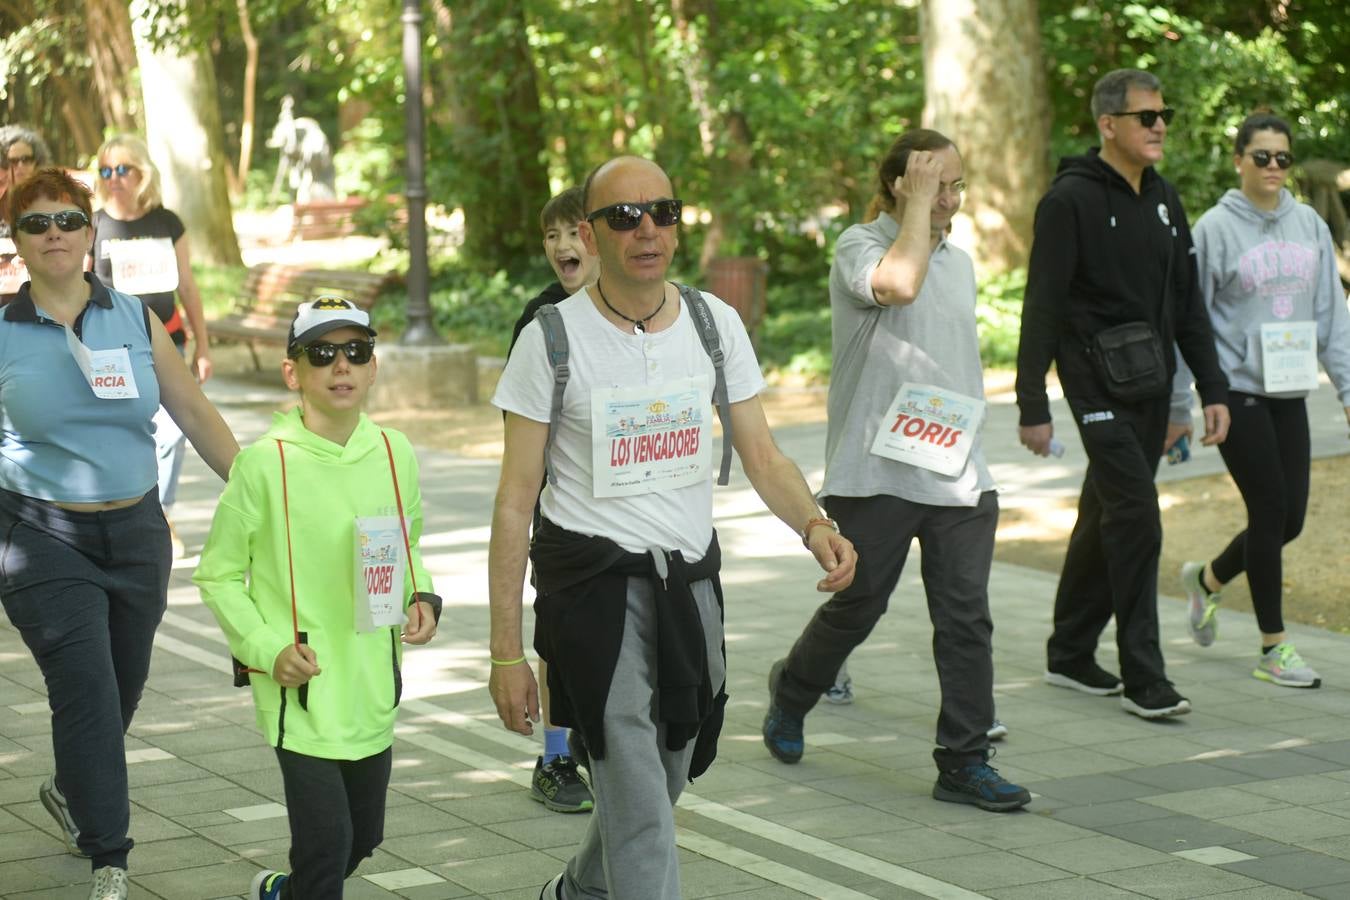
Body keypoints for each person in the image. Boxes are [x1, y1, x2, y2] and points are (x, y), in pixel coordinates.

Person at [487, 155, 857, 900]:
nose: (646, 229)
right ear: (591, 235)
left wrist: (814, 523)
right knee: (633, 781)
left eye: (663, 211)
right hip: (593, 593)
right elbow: (514, 499)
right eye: (623, 217)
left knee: (669, 768)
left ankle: (578, 891)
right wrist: (505, 655)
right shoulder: (551, 340)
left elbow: (761, 452)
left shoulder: (713, 325)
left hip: (689, 582)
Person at [760, 129, 1029, 813]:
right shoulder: (860, 247)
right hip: (876, 474)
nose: (952, 199)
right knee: (859, 604)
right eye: (938, 184)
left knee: (967, 618)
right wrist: (914, 209)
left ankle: (964, 761)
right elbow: (898, 285)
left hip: (958, 475)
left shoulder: (960, 262)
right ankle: (792, 692)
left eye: (957, 184)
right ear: (896, 188)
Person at [0, 167, 238, 900]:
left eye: (68, 220)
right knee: (88, 689)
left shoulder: (131, 317)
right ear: (16, 241)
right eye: (37, 224)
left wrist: (269, 494)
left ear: (91, 230)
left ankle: (75, 789)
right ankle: (111, 858)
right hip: (39, 534)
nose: (55, 235)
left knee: (123, 684)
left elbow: (194, 413)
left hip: (135, 530)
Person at [194, 296, 441, 900]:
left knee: (362, 839)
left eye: (356, 352)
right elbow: (217, 575)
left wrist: (424, 598)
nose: (341, 366)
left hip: (372, 688)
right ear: (292, 371)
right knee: (327, 846)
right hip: (299, 693)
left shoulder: (394, 451)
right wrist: (266, 647)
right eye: (322, 353)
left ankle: (284, 892)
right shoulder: (262, 464)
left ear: (373, 367)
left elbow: (408, 547)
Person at [1015, 68, 1230, 719]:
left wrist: (1205, 390)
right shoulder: (1069, 201)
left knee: (1104, 514)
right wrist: (1033, 405)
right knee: (1136, 515)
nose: (1160, 124)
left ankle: (1070, 651)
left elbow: (1186, 305)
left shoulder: (1165, 197)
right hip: (1093, 384)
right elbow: (1042, 306)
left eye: (1164, 114)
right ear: (1109, 124)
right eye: (1146, 116)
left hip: (1151, 385)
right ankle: (1145, 675)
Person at [1172, 112, 1350, 687]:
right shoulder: (1215, 230)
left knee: (1290, 520)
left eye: (1283, 158)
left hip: (1291, 388)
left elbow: (1331, 317)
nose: (1273, 167)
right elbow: (1189, 320)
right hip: (1236, 392)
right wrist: (1186, 400)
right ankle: (1274, 647)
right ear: (1239, 160)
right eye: (1262, 156)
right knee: (1270, 511)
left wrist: (1348, 390)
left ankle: (1206, 581)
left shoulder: (1309, 226)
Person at [505, 186, 599, 814]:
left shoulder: (644, 311)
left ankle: (605, 740)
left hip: (637, 517)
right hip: (561, 514)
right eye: (551, 236)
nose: (563, 246)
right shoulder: (541, 322)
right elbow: (521, 438)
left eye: (575, 232)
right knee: (560, 640)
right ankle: (556, 755)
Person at [90, 134, 213, 557]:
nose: (114, 179)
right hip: (111, 345)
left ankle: (160, 511)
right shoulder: (94, 224)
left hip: (168, 342)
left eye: (123, 170)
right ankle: (125, 513)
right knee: (121, 429)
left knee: (173, 430)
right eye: (106, 171)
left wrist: (204, 345)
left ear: (143, 173)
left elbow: (188, 286)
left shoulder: (167, 222)